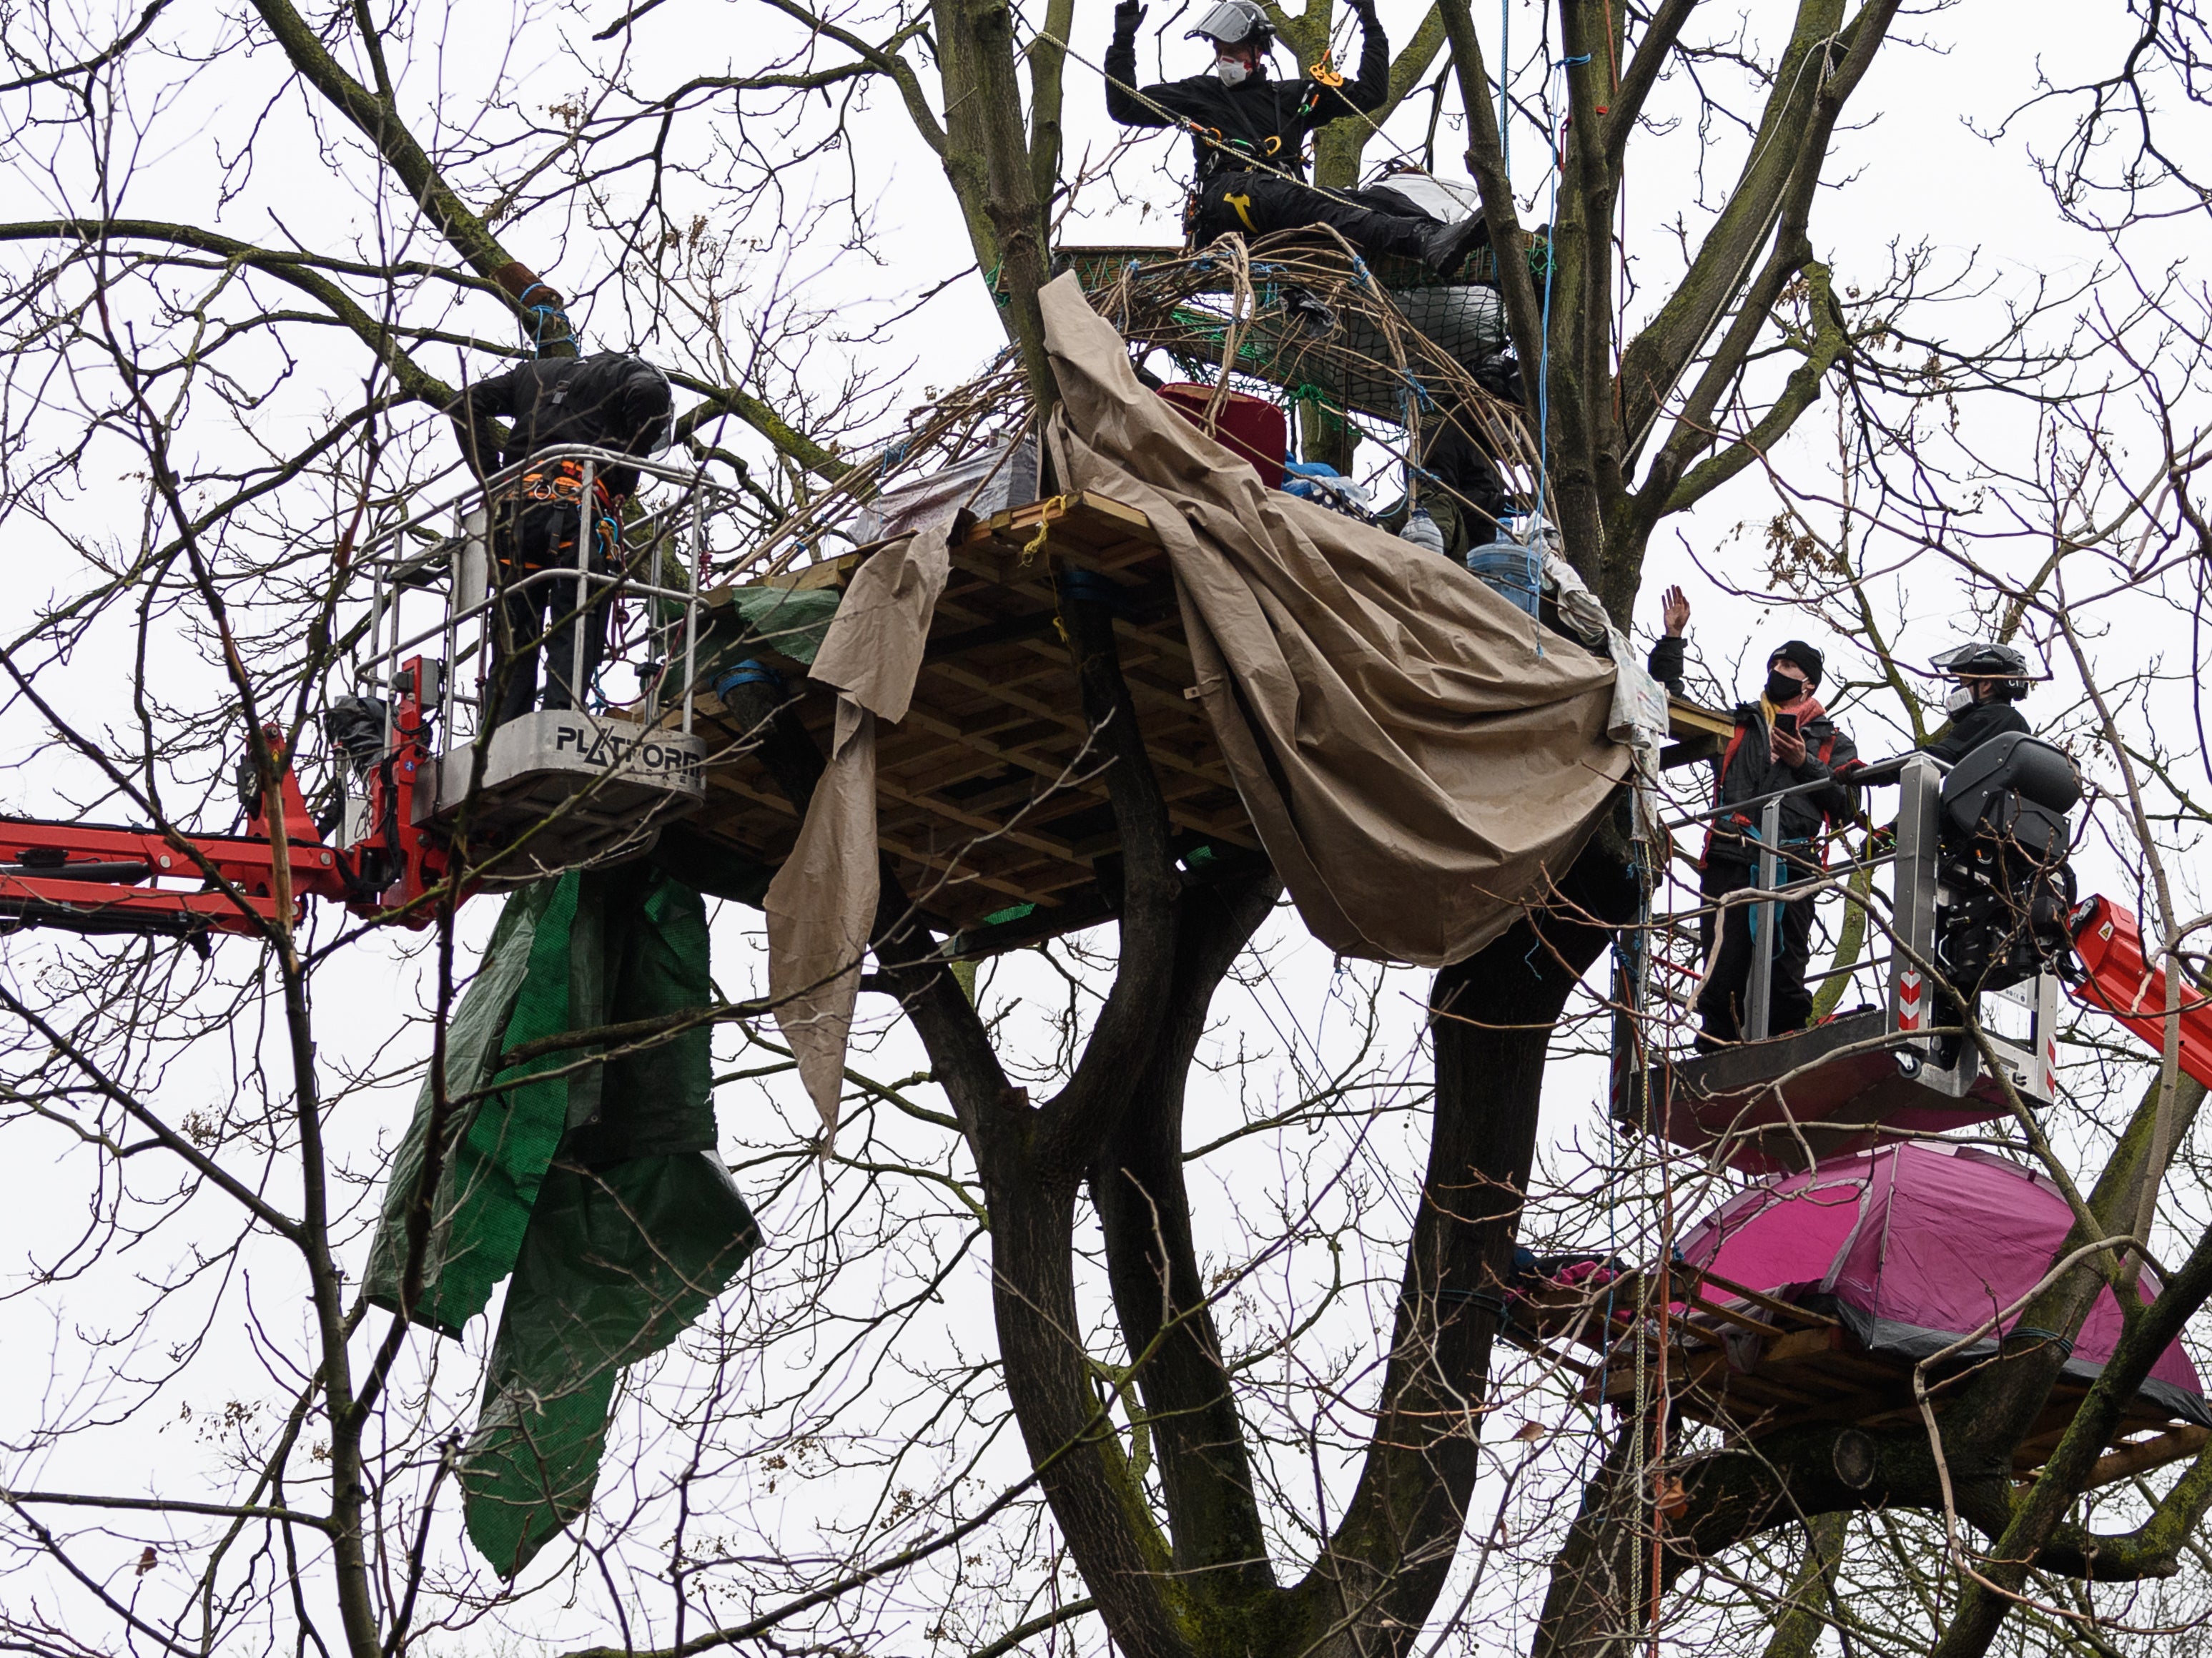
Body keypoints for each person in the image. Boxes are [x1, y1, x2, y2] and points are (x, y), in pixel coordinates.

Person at [1106, 0, 1489, 277]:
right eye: (1220, 51)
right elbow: (1125, 106)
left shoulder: (1289, 98)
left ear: (1257, 52)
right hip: (1227, 200)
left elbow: (1372, 93)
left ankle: (1452, 237)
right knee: (1318, 205)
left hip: (1282, 203)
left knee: (1371, 199)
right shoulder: (1200, 93)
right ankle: (1421, 241)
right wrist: (1122, 42)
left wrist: (1370, 22)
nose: (1224, 59)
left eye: (1233, 50)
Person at [1649, 591, 1864, 1049]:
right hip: (1731, 856)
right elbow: (1668, 705)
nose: (1776, 673)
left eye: (1787, 668)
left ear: (1808, 684)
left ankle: (1784, 1052)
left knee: (1784, 975)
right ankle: (1716, 1055)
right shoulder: (1740, 726)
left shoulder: (1832, 742)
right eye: (1774, 665)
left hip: (1795, 869)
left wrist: (1807, 763)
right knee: (1722, 972)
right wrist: (1672, 639)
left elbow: (1850, 806)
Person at [453, 352, 675, 726]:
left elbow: (466, 404)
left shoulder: (532, 373)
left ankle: (500, 732)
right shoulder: (629, 373)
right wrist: (627, 461)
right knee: (579, 616)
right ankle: (562, 718)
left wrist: (493, 478)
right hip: (574, 511)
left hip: (514, 515)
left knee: (514, 631)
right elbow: (648, 391)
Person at [1922, 641, 2033, 766]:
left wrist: (1898, 765)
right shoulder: (2011, 721)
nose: (1958, 690)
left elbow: (1943, 753)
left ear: (1986, 685)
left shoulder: (1991, 716)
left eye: (1964, 683)